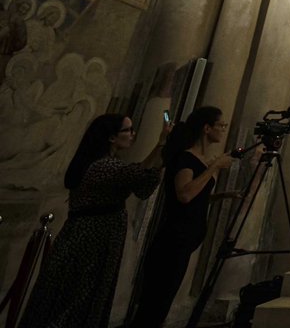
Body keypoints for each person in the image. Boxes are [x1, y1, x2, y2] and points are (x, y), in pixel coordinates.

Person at [19, 113, 168, 328]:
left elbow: (140, 184)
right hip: (90, 240)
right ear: (111, 137)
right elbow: (135, 175)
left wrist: (160, 153)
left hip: (96, 239)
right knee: (78, 296)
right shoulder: (101, 167)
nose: (133, 134)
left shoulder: (106, 164)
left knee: (84, 295)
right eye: (128, 130)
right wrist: (160, 145)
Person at [129, 106, 236, 328]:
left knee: (162, 301)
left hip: (185, 239)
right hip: (174, 239)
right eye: (221, 125)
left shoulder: (197, 158)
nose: (223, 129)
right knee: (156, 302)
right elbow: (185, 194)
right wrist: (214, 166)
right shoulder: (187, 158)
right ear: (207, 128)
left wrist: (220, 196)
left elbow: (195, 196)